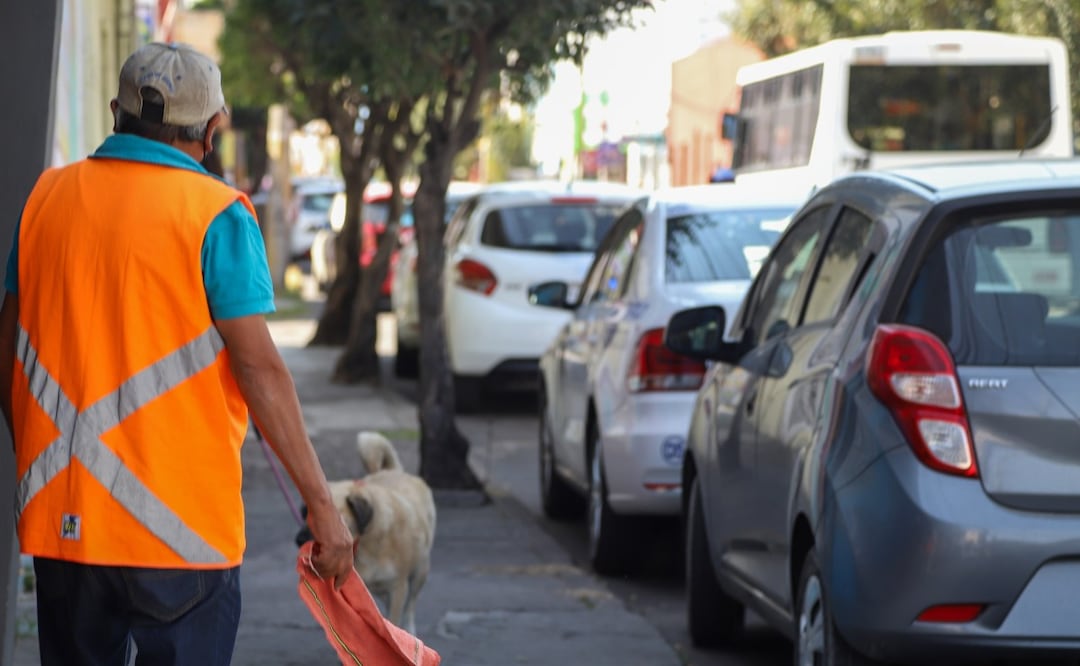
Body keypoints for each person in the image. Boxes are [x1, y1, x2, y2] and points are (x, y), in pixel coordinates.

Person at [0, 42, 355, 665]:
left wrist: (42, 466)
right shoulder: (216, 215)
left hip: (65, 523)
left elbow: (7, 352)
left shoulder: (44, 201)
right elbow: (261, 370)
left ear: (116, 111)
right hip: (182, 536)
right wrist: (322, 508)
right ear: (214, 129)